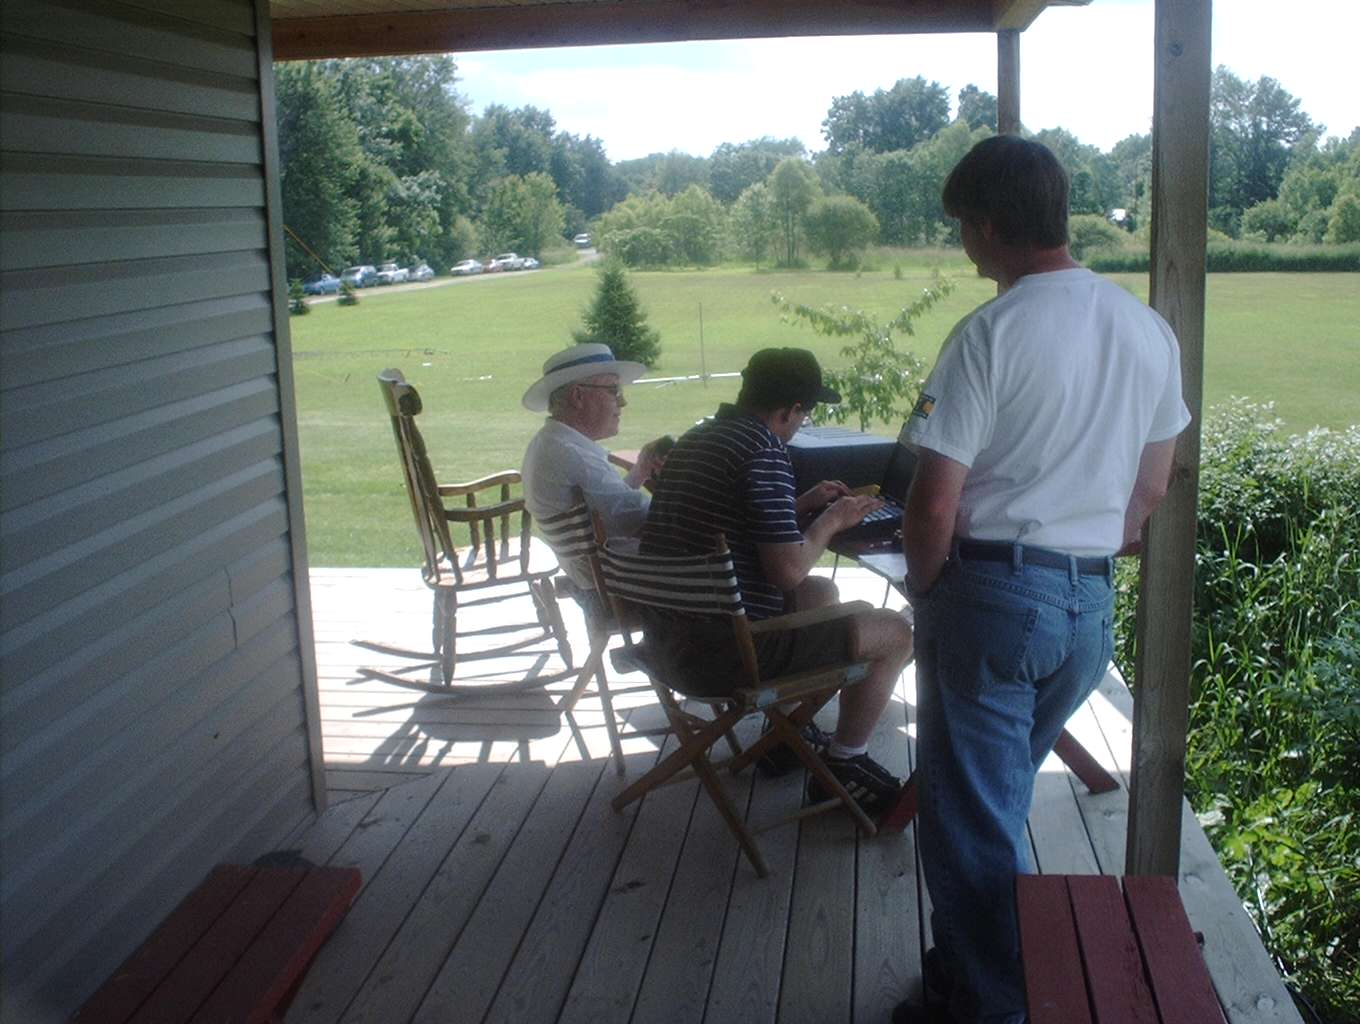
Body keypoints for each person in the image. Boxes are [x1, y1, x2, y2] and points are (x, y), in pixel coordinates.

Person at [894, 136, 1191, 1024]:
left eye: (962, 226)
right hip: (1088, 608)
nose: (963, 245)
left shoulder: (989, 332)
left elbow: (932, 502)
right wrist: (1090, 545)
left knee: (971, 823)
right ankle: (970, 971)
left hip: (990, 600)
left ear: (988, 226)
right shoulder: (1146, 329)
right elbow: (1151, 488)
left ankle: (993, 1006)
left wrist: (927, 588)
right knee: (993, 798)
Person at [638, 347, 916, 814]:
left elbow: (730, 520)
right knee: (893, 631)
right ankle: (845, 763)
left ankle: (785, 737)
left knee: (821, 592)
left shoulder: (697, 439)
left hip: (669, 638)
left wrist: (799, 505)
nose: (801, 424)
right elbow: (786, 571)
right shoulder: (763, 451)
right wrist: (833, 520)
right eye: (803, 415)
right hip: (725, 655)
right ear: (789, 410)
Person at [521, 343, 670, 597]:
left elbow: (610, 508)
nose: (622, 402)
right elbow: (642, 521)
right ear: (578, 396)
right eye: (613, 390)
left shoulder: (550, 443)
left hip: (595, 582)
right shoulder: (571, 454)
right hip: (622, 591)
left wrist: (641, 470)